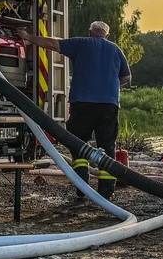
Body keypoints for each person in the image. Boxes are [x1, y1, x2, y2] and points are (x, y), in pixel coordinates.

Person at [18, 20, 131, 199]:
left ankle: (81, 188)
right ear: (106, 35)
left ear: (90, 32)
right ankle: (107, 192)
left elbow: (53, 44)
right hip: (109, 105)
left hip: (83, 104)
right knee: (108, 147)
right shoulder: (116, 49)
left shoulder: (81, 43)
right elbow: (126, 77)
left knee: (78, 145)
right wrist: (109, 87)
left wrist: (29, 37)